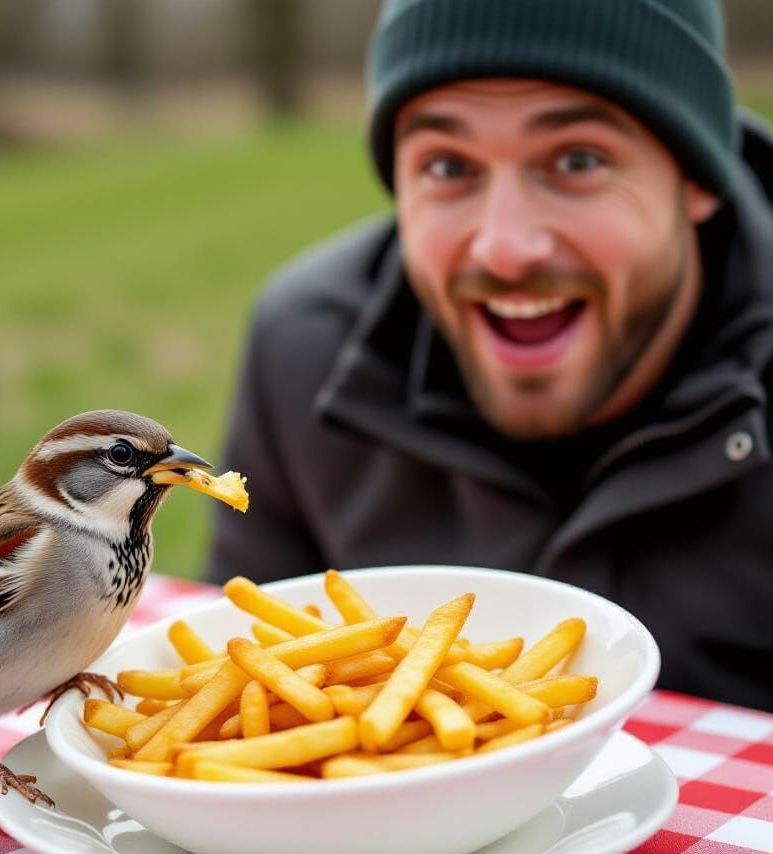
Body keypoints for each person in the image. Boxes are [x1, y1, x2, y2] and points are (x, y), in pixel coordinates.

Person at [205, 0, 773, 711]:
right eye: (448, 165)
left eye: (577, 160)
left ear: (696, 176)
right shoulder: (304, 345)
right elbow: (234, 678)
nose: (504, 248)